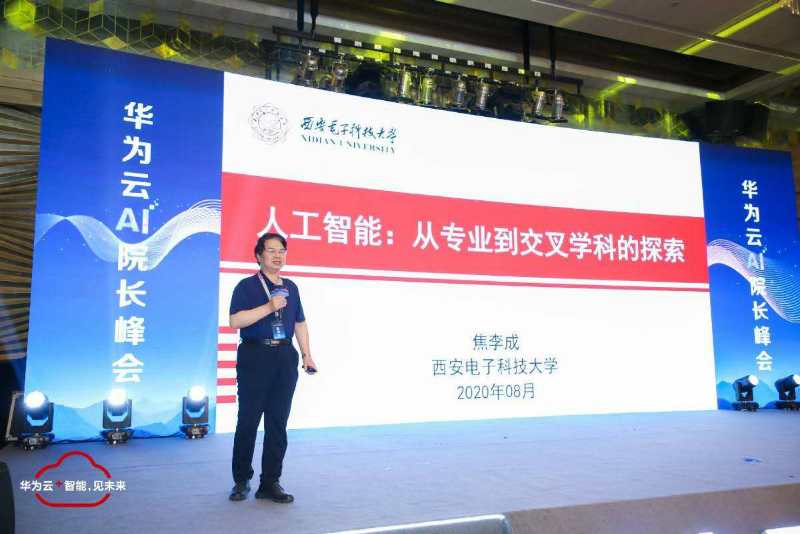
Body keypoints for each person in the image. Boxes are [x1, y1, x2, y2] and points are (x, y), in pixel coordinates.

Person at [228, 232, 317, 503]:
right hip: (255, 355)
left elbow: (299, 322)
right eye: (271, 250)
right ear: (259, 255)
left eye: (282, 251)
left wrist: (307, 355)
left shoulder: (291, 287)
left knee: (278, 422)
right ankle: (241, 480)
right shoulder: (246, 286)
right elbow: (235, 321)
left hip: (284, 357)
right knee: (248, 420)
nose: (278, 256)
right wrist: (269, 306)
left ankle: (270, 482)